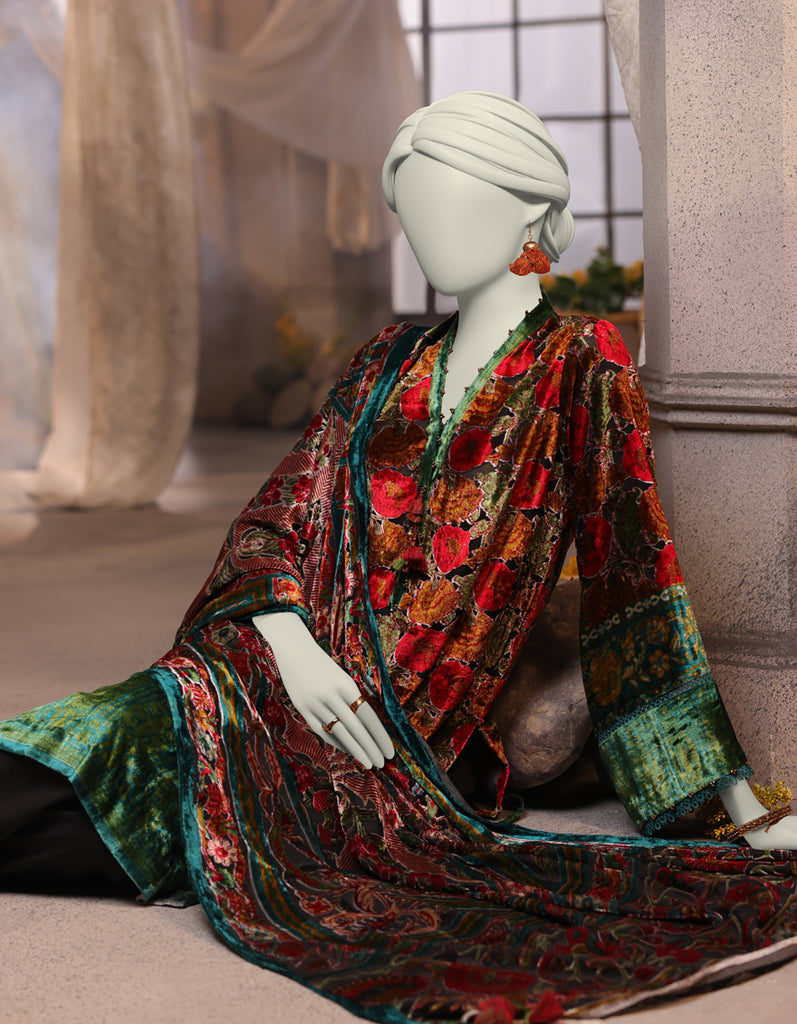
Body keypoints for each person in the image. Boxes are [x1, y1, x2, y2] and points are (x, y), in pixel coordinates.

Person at [2, 91, 797, 1022]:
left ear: (530, 211)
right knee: (85, 745)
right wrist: (291, 645)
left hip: (400, 731)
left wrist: (733, 805)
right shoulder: (386, 358)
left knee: (111, 819)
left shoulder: (578, 363)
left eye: (451, 206)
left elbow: (636, 581)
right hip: (268, 664)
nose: (427, 236)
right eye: (413, 214)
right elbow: (274, 518)